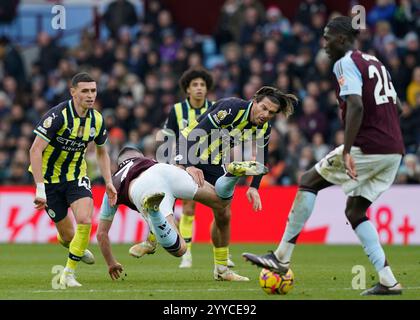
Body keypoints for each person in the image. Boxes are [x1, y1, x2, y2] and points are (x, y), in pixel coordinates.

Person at [243, 16, 405, 296]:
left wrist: (348, 149)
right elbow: (397, 107)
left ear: (342, 39)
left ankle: (280, 258)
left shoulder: (345, 62)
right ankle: (389, 280)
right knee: (355, 211)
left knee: (308, 180)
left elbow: (355, 105)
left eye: (328, 37)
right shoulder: (375, 62)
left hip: (368, 147)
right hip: (393, 150)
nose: (325, 43)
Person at [175, 86, 297, 280]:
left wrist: (254, 187)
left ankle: (221, 270)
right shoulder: (231, 109)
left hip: (214, 160)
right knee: (173, 195)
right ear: (254, 101)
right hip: (188, 147)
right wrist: (188, 165)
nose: (266, 114)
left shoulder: (264, 127)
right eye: (264, 108)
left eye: (271, 113)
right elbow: (194, 134)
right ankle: (152, 238)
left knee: (224, 214)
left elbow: (261, 159)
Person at [96, 146, 264, 281]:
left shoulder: (114, 181)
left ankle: (154, 213)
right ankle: (232, 174)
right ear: (139, 156)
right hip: (166, 170)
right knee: (221, 202)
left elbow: (102, 234)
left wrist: (111, 263)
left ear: (119, 164)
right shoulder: (150, 161)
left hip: (143, 186)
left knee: (180, 249)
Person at [29, 72, 117, 288]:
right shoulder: (57, 116)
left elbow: (102, 152)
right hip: (49, 181)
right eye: (85, 91)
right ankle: (74, 246)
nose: (90, 95)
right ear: (73, 92)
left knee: (85, 220)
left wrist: (108, 180)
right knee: (68, 236)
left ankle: (68, 273)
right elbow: (35, 150)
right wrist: (40, 188)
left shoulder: (96, 119)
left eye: (93, 91)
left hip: (76, 176)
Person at [161, 67, 236, 269]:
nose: (199, 88)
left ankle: (222, 255)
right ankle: (187, 253)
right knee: (188, 206)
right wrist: (174, 163)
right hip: (188, 163)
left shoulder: (216, 108)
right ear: (187, 90)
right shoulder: (177, 110)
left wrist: (228, 162)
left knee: (222, 211)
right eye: (195, 85)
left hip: (215, 163)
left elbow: (226, 138)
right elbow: (169, 138)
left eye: (202, 85)